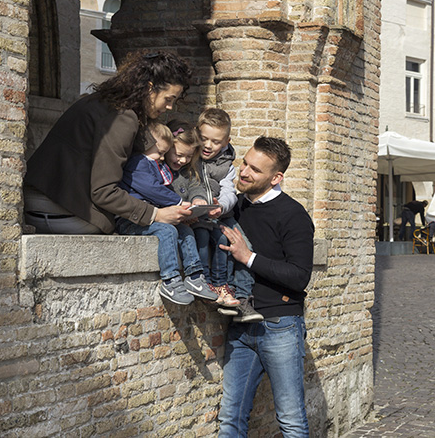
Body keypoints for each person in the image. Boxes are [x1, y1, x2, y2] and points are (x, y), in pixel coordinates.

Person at [24, 51, 194, 234]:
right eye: (168, 99)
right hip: (60, 210)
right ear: (149, 88)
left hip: (39, 203)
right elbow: (104, 192)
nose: (169, 107)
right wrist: (156, 214)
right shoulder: (122, 118)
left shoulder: (104, 103)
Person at [217, 136, 314, 437]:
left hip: (280, 326)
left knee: (291, 420)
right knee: (230, 419)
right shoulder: (235, 208)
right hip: (240, 323)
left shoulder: (293, 215)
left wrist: (248, 257)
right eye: (244, 163)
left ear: (276, 178)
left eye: (255, 170)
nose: (244, 172)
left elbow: (300, 276)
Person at [116, 122, 218, 305]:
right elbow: (152, 189)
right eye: (161, 152)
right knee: (168, 231)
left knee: (185, 231)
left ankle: (194, 275)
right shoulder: (138, 162)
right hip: (130, 219)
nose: (162, 158)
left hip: (149, 217)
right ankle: (170, 280)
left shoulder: (152, 163)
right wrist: (178, 202)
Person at [191, 108, 261, 321]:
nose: (208, 145)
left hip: (221, 213)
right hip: (199, 215)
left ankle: (242, 297)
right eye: (204, 139)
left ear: (226, 141)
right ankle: (220, 288)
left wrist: (221, 206)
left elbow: (230, 191)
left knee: (243, 245)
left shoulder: (226, 166)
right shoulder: (189, 157)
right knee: (216, 241)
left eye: (215, 141)